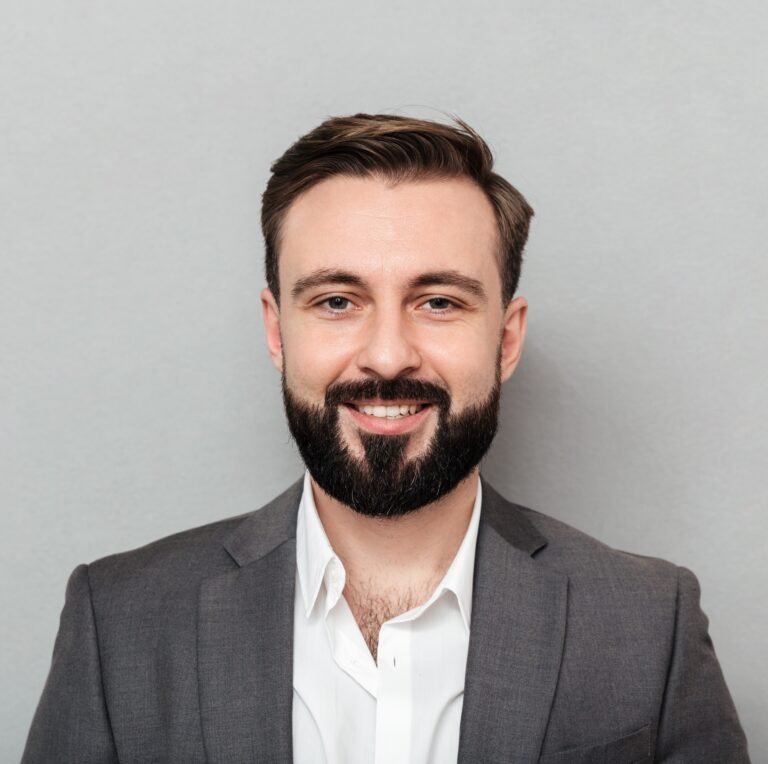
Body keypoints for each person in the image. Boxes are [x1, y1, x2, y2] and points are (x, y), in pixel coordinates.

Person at [23, 114, 750, 764]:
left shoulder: (649, 624)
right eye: (337, 301)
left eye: (439, 302)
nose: (387, 355)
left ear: (506, 338)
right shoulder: (118, 622)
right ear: (279, 331)